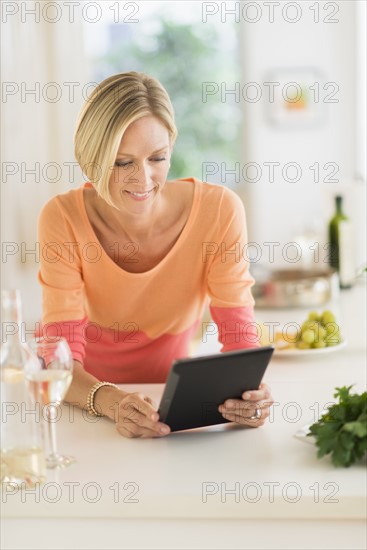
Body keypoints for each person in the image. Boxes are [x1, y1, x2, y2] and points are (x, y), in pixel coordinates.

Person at [38, 71, 274, 438]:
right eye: (122, 162)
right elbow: (58, 360)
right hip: (83, 404)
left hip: (168, 407)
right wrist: (110, 401)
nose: (144, 179)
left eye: (158, 157)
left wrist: (248, 396)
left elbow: (239, 335)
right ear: (91, 158)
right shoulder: (62, 218)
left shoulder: (219, 211)